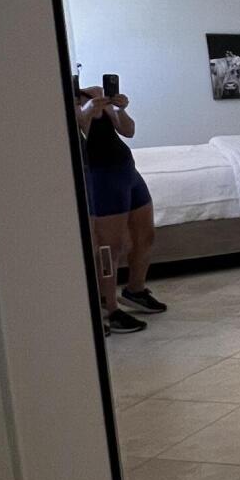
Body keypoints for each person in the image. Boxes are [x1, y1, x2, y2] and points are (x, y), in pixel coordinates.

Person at [74, 82, 166, 333]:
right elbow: (78, 137)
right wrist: (87, 112)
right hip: (101, 177)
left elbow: (129, 131)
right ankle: (111, 307)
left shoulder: (94, 94)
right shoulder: (62, 102)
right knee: (109, 246)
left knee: (146, 235)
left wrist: (120, 109)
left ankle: (135, 290)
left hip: (127, 170)